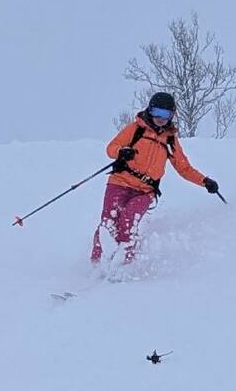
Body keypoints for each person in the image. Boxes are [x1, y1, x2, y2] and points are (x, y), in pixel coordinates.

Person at [91, 92, 220, 264]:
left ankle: (123, 264)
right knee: (109, 223)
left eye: (165, 114)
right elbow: (111, 148)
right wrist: (121, 152)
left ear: (172, 115)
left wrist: (204, 181)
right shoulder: (136, 128)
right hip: (120, 182)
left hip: (145, 191)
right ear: (150, 110)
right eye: (157, 112)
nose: (160, 118)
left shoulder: (170, 140)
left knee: (128, 221)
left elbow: (183, 167)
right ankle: (97, 265)